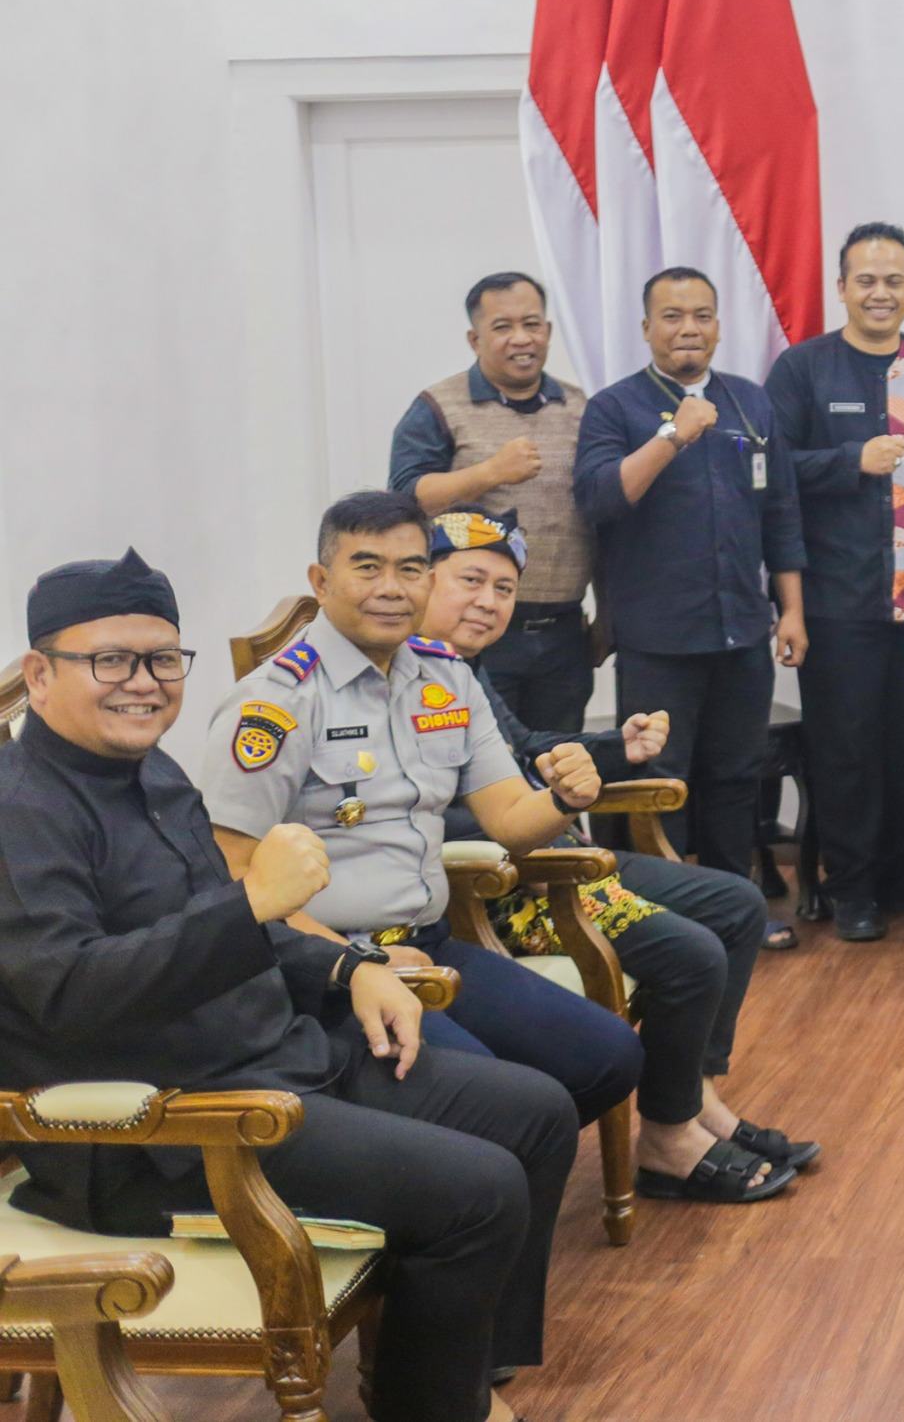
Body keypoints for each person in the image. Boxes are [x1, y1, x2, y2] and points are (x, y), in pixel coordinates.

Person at [0, 550, 576, 1422]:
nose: (143, 683)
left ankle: (449, 1378)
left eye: (162, 659)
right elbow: (71, 992)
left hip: (274, 1059)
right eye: (110, 660)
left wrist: (351, 968)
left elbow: (241, 925)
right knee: (478, 1189)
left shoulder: (152, 770)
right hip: (165, 1133)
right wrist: (251, 905)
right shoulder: (21, 811)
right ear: (40, 674)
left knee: (536, 1112)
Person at [199, 490, 644, 1131]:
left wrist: (564, 797)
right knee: (509, 1107)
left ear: (428, 581)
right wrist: (353, 963)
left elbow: (511, 822)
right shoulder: (275, 704)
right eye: (367, 567)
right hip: (326, 972)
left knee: (610, 1056)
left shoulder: (446, 678)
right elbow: (233, 879)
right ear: (321, 582)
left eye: (409, 569)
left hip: (431, 946)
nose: (391, 587)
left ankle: (487, 1162)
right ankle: (468, 1162)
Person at [418, 509, 817, 1201]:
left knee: (737, 904)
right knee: (693, 954)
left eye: (504, 589)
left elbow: (525, 750)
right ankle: (667, 1139)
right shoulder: (406, 675)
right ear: (421, 579)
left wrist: (615, 749)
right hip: (513, 881)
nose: (489, 602)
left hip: (557, 848)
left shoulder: (459, 669)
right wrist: (541, 812)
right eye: (471, 581)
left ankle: (695, 1099)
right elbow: (436, 812)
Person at [766, 224, 904, 936]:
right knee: (845, 751)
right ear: (842, 288)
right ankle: (852, 889)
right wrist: (849, 461)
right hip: (837, 603)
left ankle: (903, 877)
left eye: (894, 280)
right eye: (866, 280)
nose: (880, 292)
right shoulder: (803, 369)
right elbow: (771, 472)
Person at [573, 267, 807, 883]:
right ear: (647, 328)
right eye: (672, 316)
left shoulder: (750, 401)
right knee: (660, 783)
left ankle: (737, 908)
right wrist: (674, 435)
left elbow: (781, 511)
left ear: (719, 327)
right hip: (659, 642)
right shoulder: (613, 406)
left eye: (702, 316)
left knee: (736, 779)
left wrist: (792, 611)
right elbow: (600, 500)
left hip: (742, 632)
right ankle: (670, 915)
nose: (688, 329)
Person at [388, 271, 597, 731]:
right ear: (475, 339)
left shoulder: (582, 408)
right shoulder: (438, 405)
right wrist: (490, 473)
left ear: (548, 330)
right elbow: (403, 500)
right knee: (477, 759)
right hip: (471, 629)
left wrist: (608, 616)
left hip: (564, 632)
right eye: (502, 327)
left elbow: (603, 516)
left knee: (559, 761)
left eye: (532, 324)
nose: (521, 338)